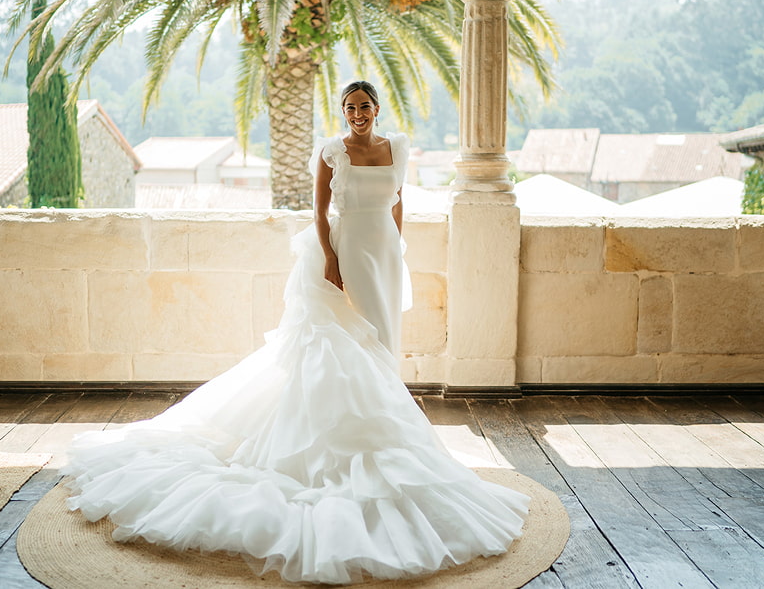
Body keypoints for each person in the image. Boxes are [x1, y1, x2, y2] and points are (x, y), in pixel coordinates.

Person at [62, 81, 529, 585]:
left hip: (385, 256)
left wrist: (398, 248)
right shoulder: (331, 152)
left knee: (383, 343)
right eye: (349, 107)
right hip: (347, 251)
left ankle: (389, 424)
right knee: (346, 342)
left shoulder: (397, 147)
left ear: (377, 108)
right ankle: (343, 431)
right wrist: (331, 258)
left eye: (364, 106)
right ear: (343, 112)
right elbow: (320, 211)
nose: (357, 114)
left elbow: (398, 201)